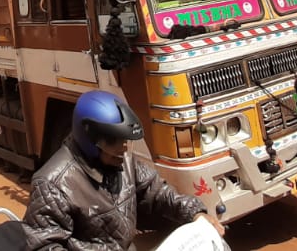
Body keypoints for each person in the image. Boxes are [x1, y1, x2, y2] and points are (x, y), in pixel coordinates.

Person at [21, 90, 224, 250]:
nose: (124, 148)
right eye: (115, 141)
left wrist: (195, 213)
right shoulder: (53, 184)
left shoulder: (121, 160)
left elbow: (156, 191)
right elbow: (44, 246)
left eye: (126, 140)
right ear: (90, 138)